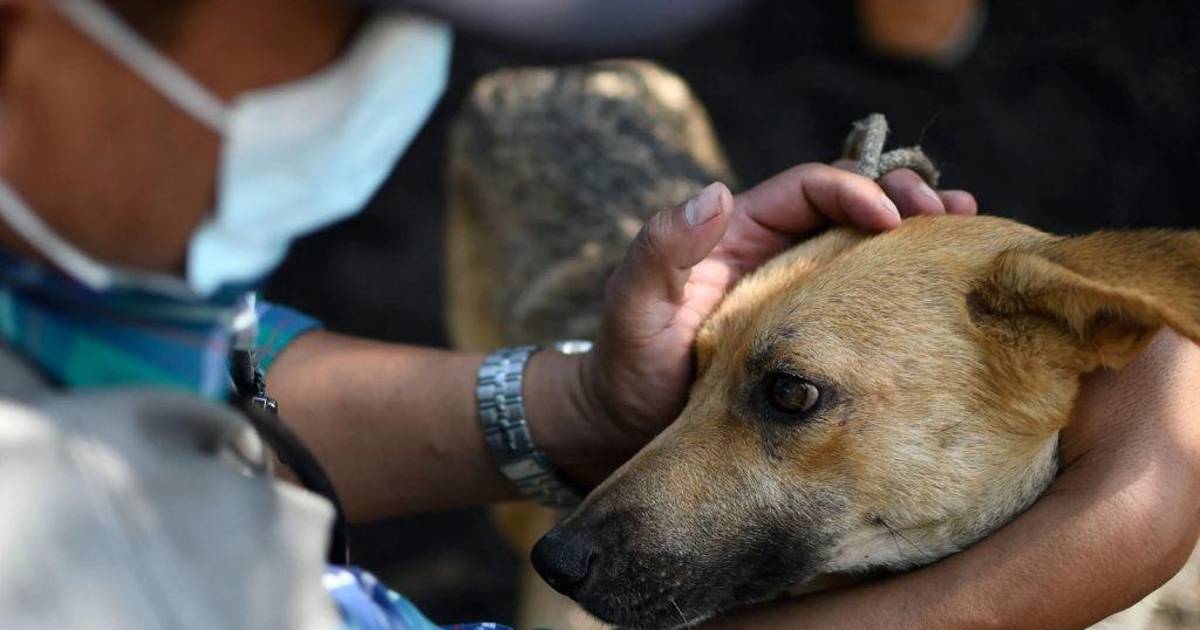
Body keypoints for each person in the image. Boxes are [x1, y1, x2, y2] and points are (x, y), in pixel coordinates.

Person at [0, 0, 1196, 628]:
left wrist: (581, 403)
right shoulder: (108, 578)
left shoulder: (76, 304)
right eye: (356, 11)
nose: (400, 62)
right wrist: (1078, 555)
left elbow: (190, 375)